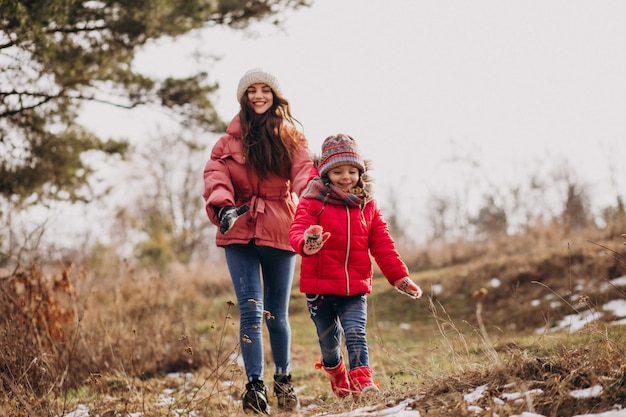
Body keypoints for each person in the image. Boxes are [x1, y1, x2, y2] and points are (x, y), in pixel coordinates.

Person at [202, 68, 313, 414]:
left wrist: (311, 201)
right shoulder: (226, 143)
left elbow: (303, 173)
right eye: (252, 90)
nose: (259, 96)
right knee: (250, 311)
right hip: (238, 230)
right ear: (244, 97)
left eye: (265, 90)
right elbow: (215, 176)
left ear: (275, 96)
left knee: (276, 315)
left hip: (281, 228)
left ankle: (284, 380)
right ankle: (255, 388)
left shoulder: (292, 138)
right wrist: (223, 208)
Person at [288, 133, 422, 399]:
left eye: (352, 170)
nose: (346, 177)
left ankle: (363, 381)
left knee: (356, 333)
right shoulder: (313, 200)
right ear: (326, 173)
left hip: (354, 287)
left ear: (361, 172)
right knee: (329, 343)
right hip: (320, 287)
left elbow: (383, 244)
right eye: (338, 171)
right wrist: (308, 242)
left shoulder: (367, 206)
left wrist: (400, 277)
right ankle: (337, 373)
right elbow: (298, 229)